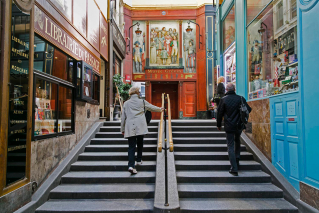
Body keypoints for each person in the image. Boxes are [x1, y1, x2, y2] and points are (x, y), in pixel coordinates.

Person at [121, 87, 163, 174]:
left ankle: (131, 166)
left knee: (131, 147)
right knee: (140, 142)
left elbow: (123, 117)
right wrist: (161, 109)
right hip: (140, 125)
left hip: (130, 126)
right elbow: (151, 107)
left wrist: (122, 129)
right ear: (137, 93)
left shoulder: (126, 103)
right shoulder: (142, 101)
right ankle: (139, 159)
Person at [217, 83, 252, 176]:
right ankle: (237, 160)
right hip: (239, 125)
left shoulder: (223, 100)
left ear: (226, 90)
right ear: (234, 89)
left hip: (229, 125)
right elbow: (249, 109)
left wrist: (219, 124)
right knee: (237, 141)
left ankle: (234, 168)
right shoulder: (240, 98)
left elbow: (219, 113)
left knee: (230, 145)